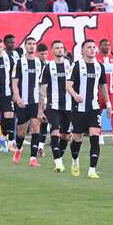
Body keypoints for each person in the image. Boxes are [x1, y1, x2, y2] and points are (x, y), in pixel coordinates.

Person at [66, 38, 108, 179]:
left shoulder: (99, 66)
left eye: (93, 47)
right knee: (77, 138)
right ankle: (75, 161)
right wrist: (75, 95)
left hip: (94, 108)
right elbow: (68, 85)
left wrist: (107, 104)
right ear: (82, 50)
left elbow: (103, 86)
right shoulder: (76, 65)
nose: (91, 49)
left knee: (95, 136)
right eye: (88, 47)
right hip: (79, 108)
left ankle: (92, 169)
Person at [39, 39, 73, 172]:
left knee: (65, 136)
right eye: (56, 48)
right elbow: (42, 87)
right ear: (52, 51)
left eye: (61, 47)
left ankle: (60, 158)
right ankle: (57, 162)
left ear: (64, 50)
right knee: (55, 131)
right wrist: (41, 108)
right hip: (53, 105)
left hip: (69, 105)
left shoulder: (70, 65)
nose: (59, 50)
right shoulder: (48, 66)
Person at [11, 37, 44, 165]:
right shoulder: (19, 63)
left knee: (36, 128)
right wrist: (18, 97)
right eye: (29, 44)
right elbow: (14, 82)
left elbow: (42, 85)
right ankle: (18, 149)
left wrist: (43, 102)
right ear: (25, 46)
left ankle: (32, 158)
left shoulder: (39, 63)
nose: (31, 46)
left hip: (35, 101)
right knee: (22, 131)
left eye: (34, 44)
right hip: (23, 101)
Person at [96, 38, 113, 145]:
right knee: (98, 113)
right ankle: (100, 136)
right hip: (99, 91)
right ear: (100, 46)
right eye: (104, 45)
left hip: (112, 91)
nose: (107, 47)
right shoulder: (96, 58)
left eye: (108, 45)